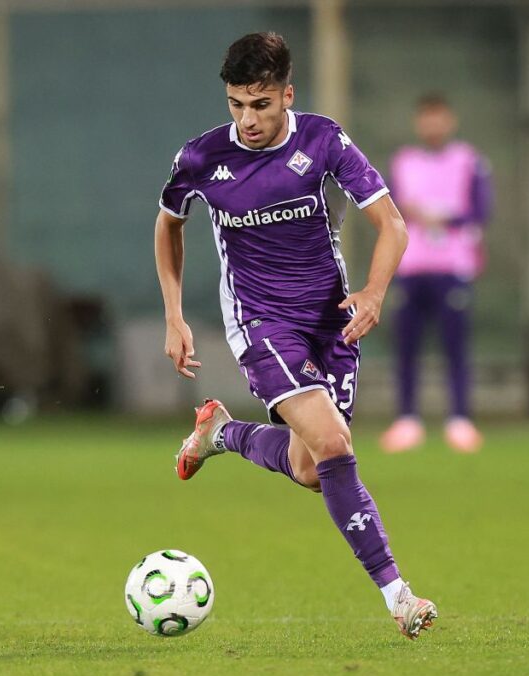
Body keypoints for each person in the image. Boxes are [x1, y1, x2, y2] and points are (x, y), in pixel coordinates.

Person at [153, 32, 437, 639]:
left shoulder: (323, 140)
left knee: (312, 468)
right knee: (335, 443)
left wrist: (374, 292)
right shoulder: (202, 158)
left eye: (260, 104)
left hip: (332, 320)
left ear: (287, 95)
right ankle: (398, 596)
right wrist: (174, 314)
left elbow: (391, 225)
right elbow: (168, 225)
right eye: (236, 104)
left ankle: (221, 434)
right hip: (261, 322)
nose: (247, 119)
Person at [380, 94, 492, 453]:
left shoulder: (469, 160)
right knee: (406, 347)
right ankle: (407, 419)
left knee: (455, 347)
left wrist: (444, 218)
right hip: (411, 266)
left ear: (450, 121)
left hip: (452, 267)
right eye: (427, 118)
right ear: (418, 122)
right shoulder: (403, 162)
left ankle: (459, 419)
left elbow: (480, 211)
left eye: (439, 118)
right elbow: (388, 210)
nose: (433, 125)